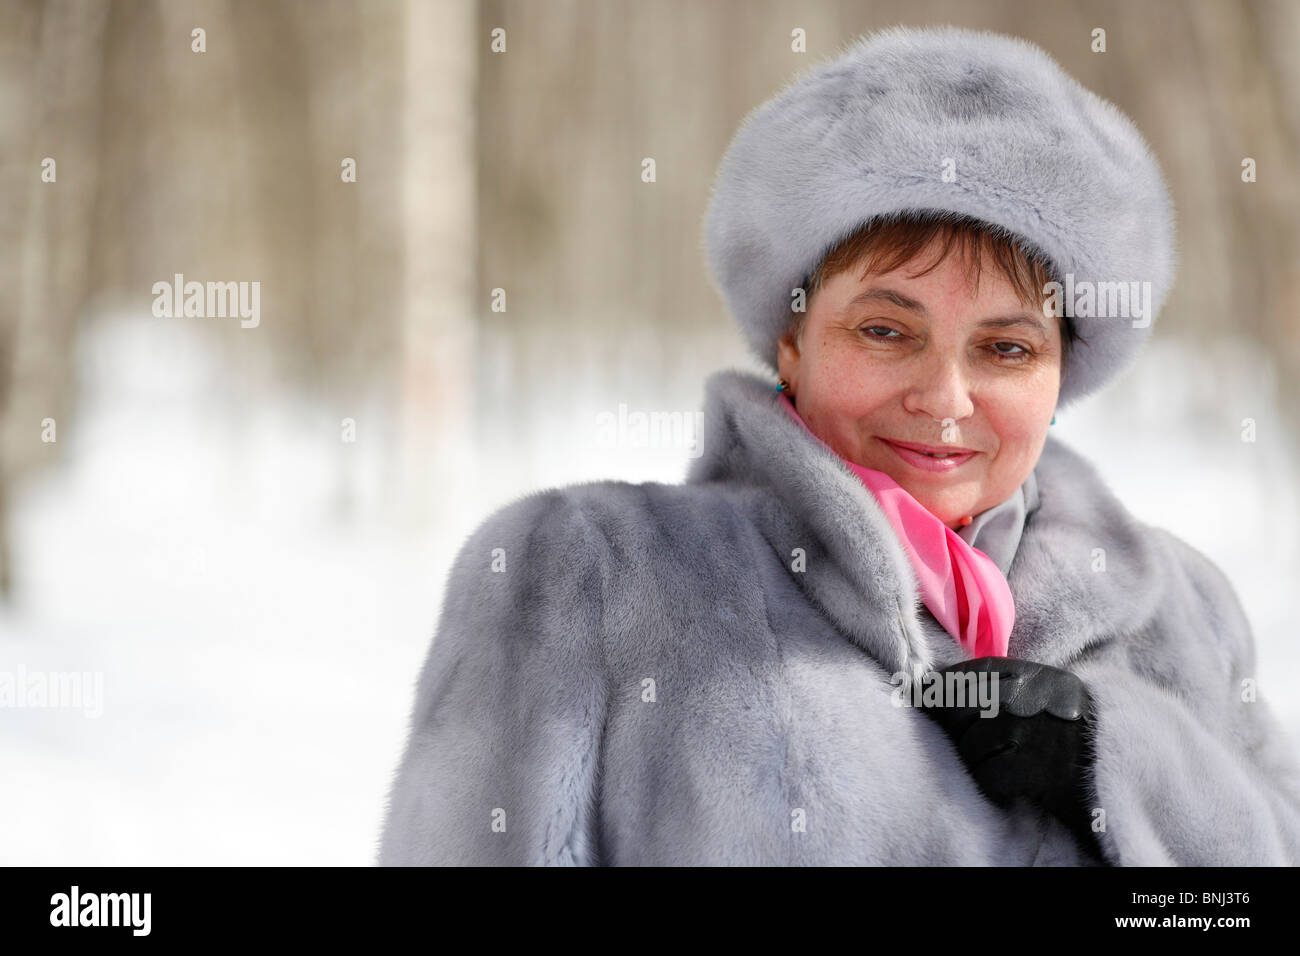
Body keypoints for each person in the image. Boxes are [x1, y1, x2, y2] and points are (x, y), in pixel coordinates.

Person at [377, 24, 1300, 865]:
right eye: (886, 332)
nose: (944, 398)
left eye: (1006, 348)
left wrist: (1116, 761)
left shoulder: (1177, 612)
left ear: (1063, 374)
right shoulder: (588, 578)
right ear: (792, 338)